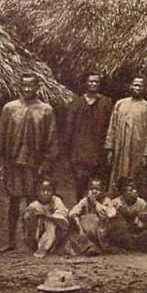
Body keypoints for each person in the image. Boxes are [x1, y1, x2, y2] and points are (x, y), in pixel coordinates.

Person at [0, 71, 58, 252]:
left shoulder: (46, 110)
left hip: (35, 163)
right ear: (19, 87)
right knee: (13, 202)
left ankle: (34, 240)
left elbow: (52, 139)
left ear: (38, 87)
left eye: (31, 85)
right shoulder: (9, 108)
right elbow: (1, 136)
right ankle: (10, 241)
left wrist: (45, 163)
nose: (27, 89)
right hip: (13, 162)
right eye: (24, 85)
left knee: (35, 203)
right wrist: (1, 161)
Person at [63, 71, 113, 200]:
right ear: (85, 83)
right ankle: (79, 210)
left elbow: (111, 126)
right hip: (80, 152)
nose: (93, 84)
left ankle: (96, 213)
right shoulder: (76, 103)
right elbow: (69, 128)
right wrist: (69, 150)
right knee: (80, 183)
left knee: (97, 185)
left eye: (96, 82)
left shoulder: (106, 103)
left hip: (98, 151)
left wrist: (108, 148)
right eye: (91, 81)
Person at [105, 75, 147, 198]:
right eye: (135, 85)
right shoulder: (120, 104)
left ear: (144, 88)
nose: (137, 88)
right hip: (120, 149)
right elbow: (113, 126)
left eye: (140, 86)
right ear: (131, 86)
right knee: (117, 175)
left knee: (134, 176)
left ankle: (132, 203)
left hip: (137, 149)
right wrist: (110, 148)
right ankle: (115, 201)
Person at [105, 177, 147, 251]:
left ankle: (136, 242)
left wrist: (138, 218)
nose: (134, 191)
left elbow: (143, 222)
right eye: (130, 190)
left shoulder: (141, 203)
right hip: (121, 232)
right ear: (123, 192)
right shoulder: (116, 203)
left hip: (137, 231)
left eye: (135, 189)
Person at [67, 176, 117, 255]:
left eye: (97, 189)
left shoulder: (106, 200)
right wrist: (77, 220)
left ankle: (99, 247)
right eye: (92, 189)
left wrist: (96, 203)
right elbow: (72, 213)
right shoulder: (85, 200)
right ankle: (89, 247)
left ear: (102, 191)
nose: (94, 191)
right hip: (87, 232)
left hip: (101, 232)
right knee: (77, 225)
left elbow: (111, 214)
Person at [22, 180, 69, 258]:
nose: (46, 193)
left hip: (57, 233)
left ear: (53, 192)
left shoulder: (56, 201)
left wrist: (47, 215)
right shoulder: (34, 205)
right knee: (42, 221)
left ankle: (47, 247)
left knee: (50, 222)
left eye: (49, 190)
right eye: (43, 190)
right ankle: (41, 246)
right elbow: (27, 225)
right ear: (37, 192)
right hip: (38, 233)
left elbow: (62, 217)